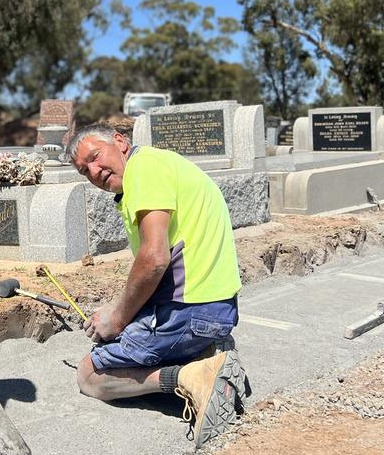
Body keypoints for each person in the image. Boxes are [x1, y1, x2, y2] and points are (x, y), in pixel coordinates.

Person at [66, 123, 251, 448]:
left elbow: (153, 260)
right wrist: (116, 312)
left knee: (89, 375)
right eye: (85, 171)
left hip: (190, 311)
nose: (94, 172)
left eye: (95, 157)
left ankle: (191, 377)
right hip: (217, 309)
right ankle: (206, 353)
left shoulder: (144, 168)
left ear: (120, 142)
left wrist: (117, 319)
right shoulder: (160, 164)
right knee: (123, 332)